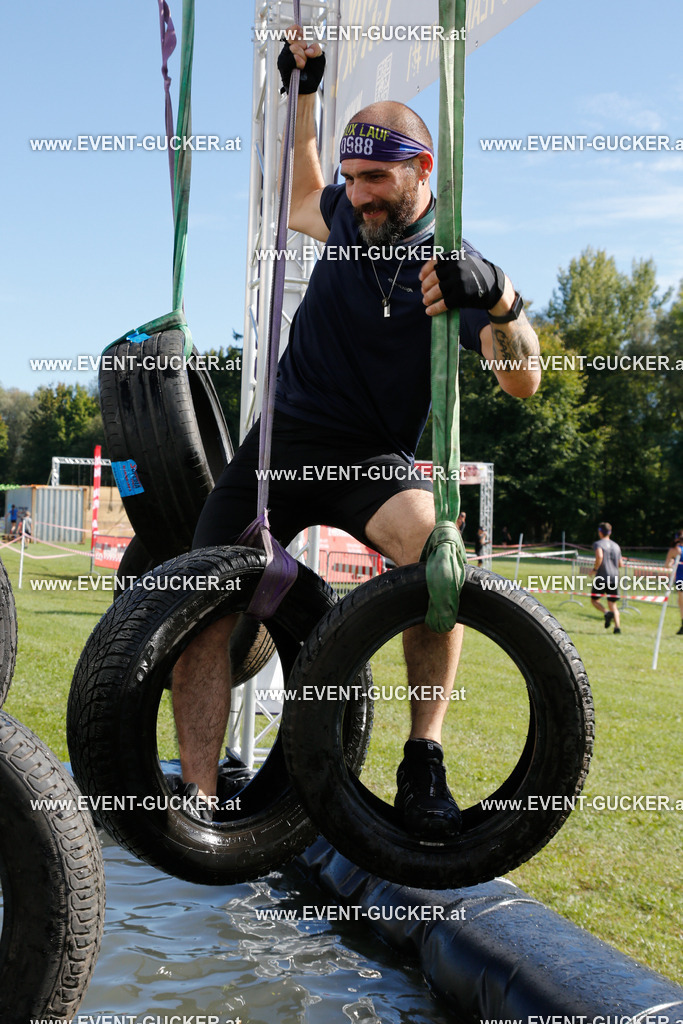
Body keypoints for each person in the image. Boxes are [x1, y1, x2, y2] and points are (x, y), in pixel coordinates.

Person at [171, 28, 541, 835]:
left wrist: (505, 299)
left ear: (423, 169)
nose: (360, 194)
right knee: (198, 598)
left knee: (437, 562)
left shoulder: (454, 268)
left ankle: (423, 763)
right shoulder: (346, 214)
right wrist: (303, 92)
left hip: (374, 461)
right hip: (285, 444)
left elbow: (523, 378)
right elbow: (303, 189)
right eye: (353, 179)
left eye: (376, 178)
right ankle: (197, 800)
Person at [590, 522, 624, 633]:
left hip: (602, 577)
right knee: (612, 604)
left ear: (600, 531)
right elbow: (620, 564)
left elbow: (599, 556)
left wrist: (595, 569)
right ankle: (617, 627)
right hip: (614, 577)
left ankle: (606, 612)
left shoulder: (598, 544)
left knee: (594, 600)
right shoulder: (616, 546)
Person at [663, 529, 683, 635]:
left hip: (680, 579)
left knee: (681, 603)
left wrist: (672, 562)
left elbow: (667, 565)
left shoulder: (675, 550)